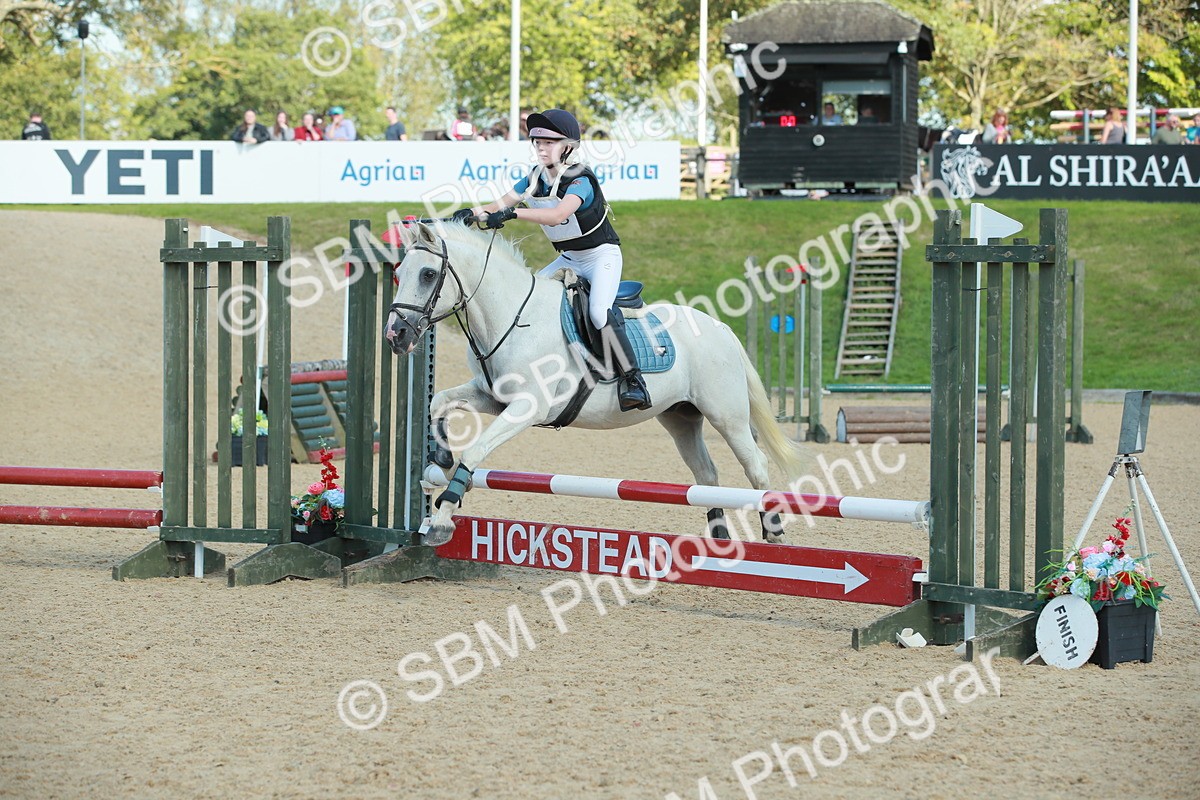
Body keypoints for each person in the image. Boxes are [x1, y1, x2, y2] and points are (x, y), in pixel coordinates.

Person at [467, 108, 650, 412]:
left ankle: (632, 379)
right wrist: (467, 215)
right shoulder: (534, 177)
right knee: (529, 300)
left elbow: (557, 214)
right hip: (568, 258)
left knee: (598, 313)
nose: (541, 147)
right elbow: (498, 204)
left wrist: (512, 214)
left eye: (549, 142)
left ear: (568, 146)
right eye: (537, 142)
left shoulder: (581, 180)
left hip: (600, 256)